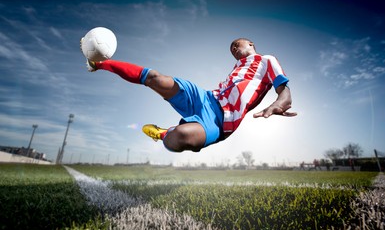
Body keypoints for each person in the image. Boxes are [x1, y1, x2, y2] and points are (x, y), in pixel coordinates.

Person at [82, 38, 297, 152]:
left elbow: (284, 92)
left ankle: (164, 133)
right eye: (231, 47)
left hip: (223, 121)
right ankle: (102, 64)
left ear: (251, 44)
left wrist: (278, 103)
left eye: (236, 44)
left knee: (182, 137)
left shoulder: (267, 60)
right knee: (156, 78)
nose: (233, 48)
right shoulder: (236, 68)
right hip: (205, 97)